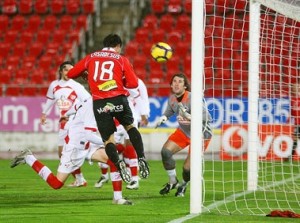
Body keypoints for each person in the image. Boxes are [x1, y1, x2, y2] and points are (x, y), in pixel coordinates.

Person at [11, 97, 133, 205]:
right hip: (74, 149)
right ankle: (29, 158)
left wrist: (66, 115)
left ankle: (118, 198)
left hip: (87, 145)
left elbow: (75, 106)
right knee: (56, 184)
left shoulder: (89, 100)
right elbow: (89, 135)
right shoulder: (92, 106)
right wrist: (107, 142)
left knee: (113, 159)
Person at [67, 34, 150, 182]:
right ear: (118, 46)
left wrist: (86, 73)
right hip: (118, 98)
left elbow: (71, 73)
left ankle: (118, 163)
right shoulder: (121, 59)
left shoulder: (91, 57)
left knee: (108, 140)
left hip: (99, 102)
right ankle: (142, 158)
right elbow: (133, 84)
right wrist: (120, 79)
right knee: (130, 127)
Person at [155, 73, 212, 197]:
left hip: (200, 134)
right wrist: (164, 117)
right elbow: (170, 111)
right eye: (174, 81)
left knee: (187, 168)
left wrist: (190, 116)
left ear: (185, 86)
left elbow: (207, 117)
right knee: (165, 152)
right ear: (170, 85)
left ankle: (183, 185)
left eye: (180, 81)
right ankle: (173, 181)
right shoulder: (172, 99)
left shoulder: (193, 98)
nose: (176, 83)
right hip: (184, 132)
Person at [40, 61, 91, 187]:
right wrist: (44, 113)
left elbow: (88, 101)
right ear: (61, 71)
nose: (69, 72)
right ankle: (80, 179)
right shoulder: (54, 85)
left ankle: (81, 178)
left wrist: (77, 114)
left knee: (65, 152)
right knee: (61, 153)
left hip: (74, 122)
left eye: (72, 70)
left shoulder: (77, 86)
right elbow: (50, 100)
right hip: (63, 122)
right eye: (66, 70)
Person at [95, 78, 150, 190]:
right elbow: (137, 95)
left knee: (114, 145)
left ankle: (132, 176)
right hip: (123, 114)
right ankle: (134, 169)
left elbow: (140, 96)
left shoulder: (133, 81)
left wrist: (144, 113)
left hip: (118, 113)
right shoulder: (127, 81)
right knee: (121, 147)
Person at [289, 82, 300, 160]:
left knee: (295, 138)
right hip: (297, 123)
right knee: (295, 138)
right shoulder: (293, 100)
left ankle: (290, 156)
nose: (294, 88)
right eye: (293, 87)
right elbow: (293, 113)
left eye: (296, 87)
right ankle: (291, 156)